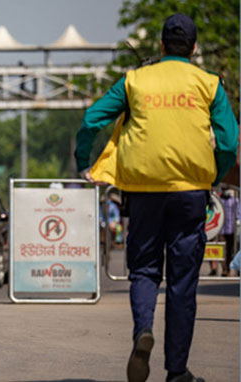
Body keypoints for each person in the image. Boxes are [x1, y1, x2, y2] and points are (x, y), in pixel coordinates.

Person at [75, 14, 238, 382]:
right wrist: (211, 174)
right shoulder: (209, 83)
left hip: (144, 192)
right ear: (194, 49)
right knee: (182, 282)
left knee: (145, 271)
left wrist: (83, 162)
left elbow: (91, 120)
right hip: (190, 193)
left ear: (161, 46)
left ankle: (142, 331)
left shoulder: (135, 80)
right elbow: (229, 141)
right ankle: (176, 371)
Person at [220, 188, 239, 276]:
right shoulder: (219, 200)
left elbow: (238, 214)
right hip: (221, 230)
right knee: (222, 250)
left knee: (230, 249)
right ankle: (224, 269)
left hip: (232, 229)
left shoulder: (235, 200)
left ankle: (229, 268)